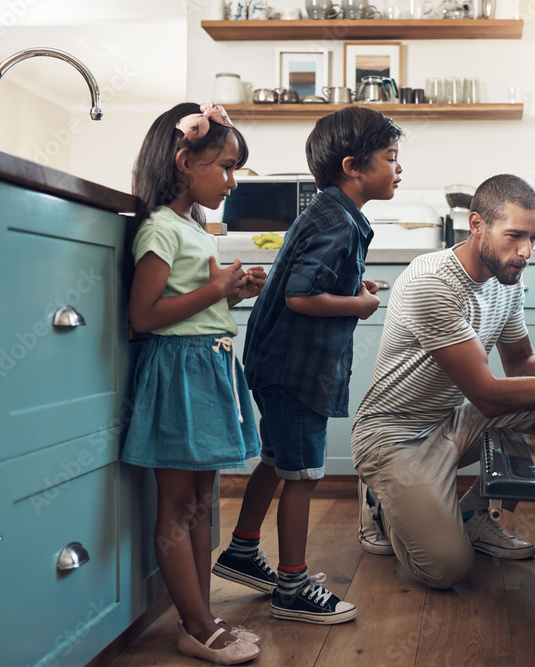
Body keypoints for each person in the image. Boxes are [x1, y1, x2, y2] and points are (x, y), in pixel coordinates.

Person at [350, 173, 535, 589]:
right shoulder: (433, 282)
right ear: (477, 226)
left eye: (534, 238)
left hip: (452, 421)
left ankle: (475, 516)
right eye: (515, 236)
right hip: (393, 437)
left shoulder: (506, 280)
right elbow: (489, 396)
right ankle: (379, 500)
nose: (526, 252)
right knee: (446, 569)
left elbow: (522, 363)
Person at [212, 106, 404, 624]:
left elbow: (311, 282)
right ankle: (292, 588)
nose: (398, 168)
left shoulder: (332, 213)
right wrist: (360, 305)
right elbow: (301, 296)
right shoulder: (337, 222)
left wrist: (351, 289)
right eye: (391, 158)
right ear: (353, 166)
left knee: (277, 461)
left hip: (278, 362)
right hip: (295, 370)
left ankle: (243, 552)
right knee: (304, 475)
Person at [122, 102, 267, 664]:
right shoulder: (160, 227)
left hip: (206, 365)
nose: (232, 182)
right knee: (179, 505)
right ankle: (198, 622)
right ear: (185, 160)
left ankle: (200, 619)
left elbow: (192, 303)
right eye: (225, 168)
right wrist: (214, 292)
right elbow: (144, 315)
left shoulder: (193, 228)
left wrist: (232, 292)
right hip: (179, 371)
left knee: (203, 502)